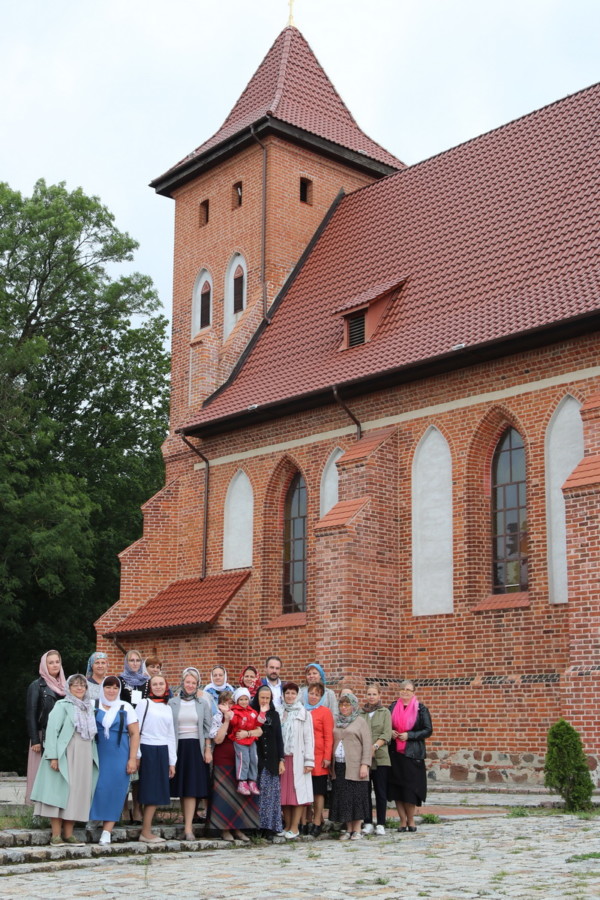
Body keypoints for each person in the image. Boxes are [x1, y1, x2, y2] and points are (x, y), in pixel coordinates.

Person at [30, 674, 99, 845]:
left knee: (77, 794)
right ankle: (56, 835)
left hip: (84, 754)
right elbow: (52, 731)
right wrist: (53, 756)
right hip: (65, 753)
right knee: (59, 793)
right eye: (75, 685)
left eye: (83, 685)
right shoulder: (62, 705)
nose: (79, 688)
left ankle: (69, 834)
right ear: (69, 688)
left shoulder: (89, 707)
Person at [89, 675, 140, 844]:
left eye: (115, 687)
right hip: (97, 754)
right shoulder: (92, 705)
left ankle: (107, 831)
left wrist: (132, 758)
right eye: (108, 687)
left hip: (119, 755)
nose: (112, 690)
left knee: (115, 791)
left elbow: (134, 734)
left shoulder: (125, 707)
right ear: (102, 688)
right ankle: (94, 818)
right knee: (97, 788)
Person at [168, 667, 212, 841]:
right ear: (182, 683)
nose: (190, 685)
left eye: (194, 683)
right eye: (188, 682)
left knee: (191, 789)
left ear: (198, 685)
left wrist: (207, 749)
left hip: (195, 747)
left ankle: (188, 828)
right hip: (178, 747)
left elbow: (207, 729)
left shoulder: (203, 703)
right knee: (181, 787)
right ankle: (185, 824)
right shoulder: (172, 703)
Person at [209, 693, 260, 842]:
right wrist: (226, 719)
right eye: (226, 703)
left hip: (242, 759)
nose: (230, 706)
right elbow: (218, 739)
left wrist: (248, 733)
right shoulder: (218, 718)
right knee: (224, 795)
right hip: (224, 758)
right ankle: (224, 829)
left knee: (239, 795)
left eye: (232, 703)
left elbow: (258, 730)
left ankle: (238, 828)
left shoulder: (244, 715)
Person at [136, 673, 177, 843]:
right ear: (150, 687)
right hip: (147, 748)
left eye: (161, 684)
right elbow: (136, 731)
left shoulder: (167, 707)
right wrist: (137, 754)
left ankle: (147, 830)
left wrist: (172, 761)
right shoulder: (144, 704)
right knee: (149, 791)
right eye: (155, 684)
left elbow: (170, 735)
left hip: (162, 750)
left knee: (157, 792)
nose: (158, 687)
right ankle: (145, 831)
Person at [387, 680, 433, 832]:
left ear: (413, 692)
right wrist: (390, 732)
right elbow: (385, 725)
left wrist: (410, 735)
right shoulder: (392, 707)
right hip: (395, 754)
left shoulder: (421, 709)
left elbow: (428, 730)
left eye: (408, 690)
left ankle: (411, 821)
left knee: (410, 790)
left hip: (412, 755)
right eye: (403, 689)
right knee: (397, 790)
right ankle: (402, 821)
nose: (405, 692)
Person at [25, 650, 67, 804]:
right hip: (42, 735)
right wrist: (35, 739)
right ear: (44, 665)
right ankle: (36, 808)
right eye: (51, 662)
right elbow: (30, 714)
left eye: (57, 662)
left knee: (57, 773)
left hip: (61, 736)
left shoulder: (66, 686)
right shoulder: (36, 686)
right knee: (38, 772)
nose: (55, 665)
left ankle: (54, 806)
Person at [330, 691, 372, 841]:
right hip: (340, 765)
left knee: (357, 798)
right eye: (342, 704)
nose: (344, 707)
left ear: (353, 706)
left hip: (355, 766)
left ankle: (357, 829)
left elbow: (367, 744)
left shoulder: (360, 722)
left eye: (347, 704)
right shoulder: (336, 720)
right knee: (344, 798)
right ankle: (348, 829)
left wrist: (365, 764)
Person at [279, 681, 314, 840]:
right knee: (284, 795)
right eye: (287, 693)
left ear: (298, 695)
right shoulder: (279, 712)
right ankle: (287, 825)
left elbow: (309, 738)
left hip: (298, 758)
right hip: (283, 759)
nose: (290, 696)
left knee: (298, 794)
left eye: (293, 693)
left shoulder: (303, 713)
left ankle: (295, 826)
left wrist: (309, 761)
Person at [118, 649, 149, 822]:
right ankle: (123, 808)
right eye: (131, 660)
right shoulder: (120, 681)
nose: (135, 663)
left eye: (138, 660)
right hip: (125, 729)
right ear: (126, 662)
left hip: (143, 729)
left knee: (139, 769)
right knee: (125, 768)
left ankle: (137, 808)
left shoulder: (146, 682)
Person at [251, 685, 284, 838]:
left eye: (267, 698)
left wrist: (281, 760)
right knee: (257, 795)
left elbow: (278, 738)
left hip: (271, 760)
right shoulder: (252, 713)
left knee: (270, 796)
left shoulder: (274, 715)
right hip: (256, 760)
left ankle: (270, 827)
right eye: (262, 698)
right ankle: (256, 826)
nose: (264, 700)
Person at [301, 681, 333, 836]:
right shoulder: (302, 710)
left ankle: (317, 822)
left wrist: (327, 757)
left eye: (317, 694)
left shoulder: (325, 712)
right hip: (304, 756)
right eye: (311, 693)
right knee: (305, 791)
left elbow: (328, 736)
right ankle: (305, 820)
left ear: (321, 697)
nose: (313, 697)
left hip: (319, 757)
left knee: (318, 792)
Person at [360, 682, 392, 835]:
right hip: (364, 758)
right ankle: (367, 822)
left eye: (374, 694)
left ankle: (380, 823)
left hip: (380, 757)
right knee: (365, 792)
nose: (371, 697)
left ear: (379, 695)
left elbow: (386, 733)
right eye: (369, 694)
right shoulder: (361, 713)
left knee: (380, 791)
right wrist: (366, 750)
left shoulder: (384, 712)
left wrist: (374, 747)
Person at [228, 687, 265, 796]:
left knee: (254, 759)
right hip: (240, 740)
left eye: (246, 699)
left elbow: (258, 723)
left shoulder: (252, 712)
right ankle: (242, 782)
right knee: (244, 760)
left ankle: (252, 781)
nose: (244, 702)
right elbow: (234, 722)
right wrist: (229, 714)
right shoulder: (235, 711)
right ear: (237, 700)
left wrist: (262, 713)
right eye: (241, 699)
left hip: (251, 740)